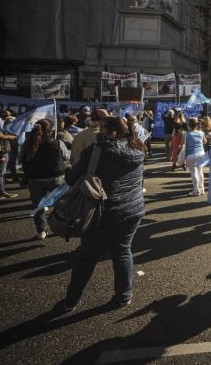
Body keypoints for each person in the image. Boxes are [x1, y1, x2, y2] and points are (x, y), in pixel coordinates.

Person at [63, 116, 147, 311]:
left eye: (102, 128)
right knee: (122, 251)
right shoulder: (138, 148)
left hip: (102, 212)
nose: (99, 131)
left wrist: (68, 169)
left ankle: (71, 300)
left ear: (112, 132)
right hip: (132, 209)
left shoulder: (96, 151)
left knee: (87, 257)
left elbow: (72, 179)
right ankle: (124, 296)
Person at [20, 119, 66, 239]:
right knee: (60, 204)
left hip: (35, 178)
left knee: (38, 206)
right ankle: (60, 226)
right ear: (50, 129)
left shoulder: (28, 142)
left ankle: (41, 231)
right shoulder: (57, 142)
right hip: (55, 177)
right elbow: (66, 157)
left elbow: (23, 160)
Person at [184, 117, 207, 196]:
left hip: (191, 154)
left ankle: (196, 190)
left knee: (193, 173)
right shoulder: (201, 133)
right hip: (201, 153)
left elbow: (182, 145)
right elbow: (205, 141)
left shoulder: (186, 134)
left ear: (188, 124)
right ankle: (202, 188)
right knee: (200, 171)